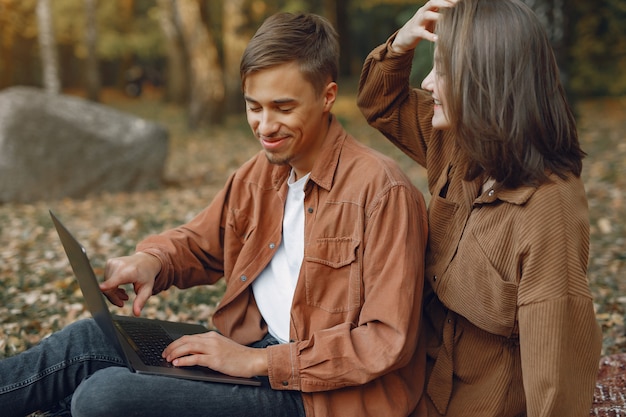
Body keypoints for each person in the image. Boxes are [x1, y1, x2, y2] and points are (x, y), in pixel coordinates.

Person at [0, 12, 429, 417]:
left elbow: (384, 341)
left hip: (318, 397)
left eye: (282, 107)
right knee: (87, 339)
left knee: (104, 394)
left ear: (327, 97)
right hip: (249, 352)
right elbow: (200, 242)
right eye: (253, 106)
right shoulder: (262, 174)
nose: (264, 126)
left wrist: (259, 361)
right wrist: (153, 260)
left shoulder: (382, 191)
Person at [356, 0, 602, 416]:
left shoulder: (549, 209)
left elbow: (556, 379)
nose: (429, 83)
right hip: (410, 383)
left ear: (488, 81)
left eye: (445, 71)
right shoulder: (460, 143)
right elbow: (381, 104)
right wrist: (401, 44)